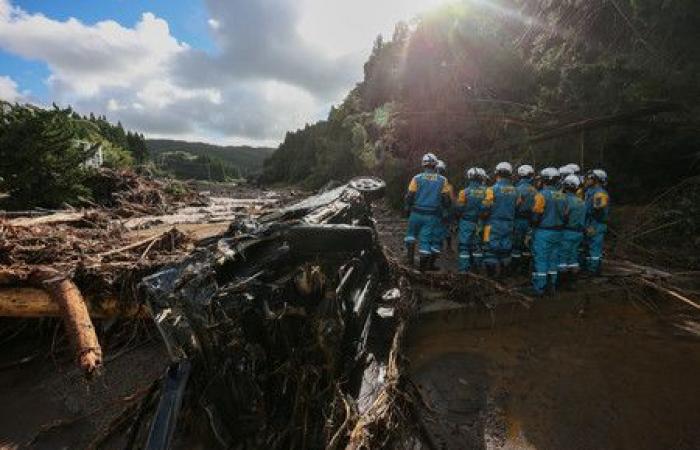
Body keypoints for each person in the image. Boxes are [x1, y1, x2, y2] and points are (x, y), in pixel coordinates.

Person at [404, 153, 452, 271]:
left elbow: (409, 196)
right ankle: (422, 268)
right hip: (431, 216)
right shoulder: (442, 180)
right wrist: (446, 209)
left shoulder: (416, 178)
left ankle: (409, 261)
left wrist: (407, 208)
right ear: (435, 165)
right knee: (425, 240)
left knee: (410, 235)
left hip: (415, 213)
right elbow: (446, 199)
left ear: (423, 164)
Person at [530, 167, 568, 295]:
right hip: (559, 232)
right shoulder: (563, 196)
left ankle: (540, 288)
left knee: (541, 259)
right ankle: (552, 285)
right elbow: (566, 214)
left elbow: (536, 214)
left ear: (545, 180)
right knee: (553, 258)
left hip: (543, 231)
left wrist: (533, 226)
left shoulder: (541, 195)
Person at [481, 162, 518, 277]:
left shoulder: (491, 190)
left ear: (497, 173)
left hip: (492, 224)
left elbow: (486, 207)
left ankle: (491, 278)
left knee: (490, 249)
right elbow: (517, 206)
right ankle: (504, 275)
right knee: (506, 249)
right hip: (509, 224)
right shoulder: (515, 191)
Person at [456, 167, 487, 273]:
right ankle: (477, 269)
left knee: (464, 246)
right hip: (481, 223)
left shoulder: (464, 192)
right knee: (478, 246)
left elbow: (459, 208)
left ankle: (464, 270)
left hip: (466, 222)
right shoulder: (487, 192)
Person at [558, 174, 586, 288]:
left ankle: (561, 283)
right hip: (578, 233)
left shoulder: (564, 200)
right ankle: (573, 282)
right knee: (573, 256)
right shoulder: (581, 201)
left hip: (567, 232)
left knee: (562, 256)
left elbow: (564, 216)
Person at [583, 169, 610, 275]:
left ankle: (593, 271)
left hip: (596, 223)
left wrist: (591, 223)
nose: (587, 180)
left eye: (590, 178)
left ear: (596, 180)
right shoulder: (590, 191)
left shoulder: (600, 193)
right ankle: (591, 268)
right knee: (590, 247)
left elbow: (598, 208)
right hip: (590, 222)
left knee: (594, 248)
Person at [513, 164, 537, 273]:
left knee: (516, 244)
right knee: (527, 245)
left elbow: (514, 206)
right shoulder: (535, 191)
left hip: (517, 220)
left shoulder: (516, 189)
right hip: (530, 221)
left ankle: (514, 268)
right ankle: (525, 268)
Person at [431, 160, 455, 264]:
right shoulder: (447, 184)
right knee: (446, 228)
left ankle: (437, 249)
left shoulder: (431, 183)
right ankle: (447, 248)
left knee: (437, 229)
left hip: (436, 211)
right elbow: (451, 200)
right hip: (444, 211)